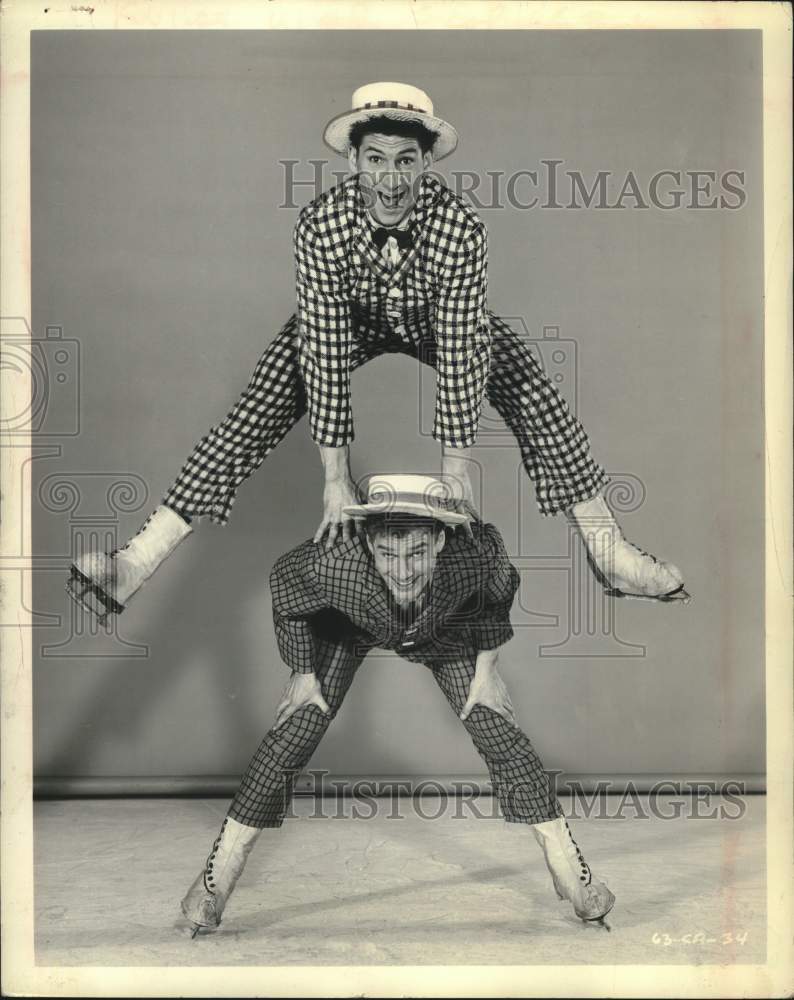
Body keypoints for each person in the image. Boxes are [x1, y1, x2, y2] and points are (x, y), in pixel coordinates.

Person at [67, 81, 689, 624]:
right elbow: (325, 346)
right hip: (349, 322)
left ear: (425, 165)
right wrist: (336, 480)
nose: (391, 180)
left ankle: (611, 552)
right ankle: (135, 563)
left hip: (433, 320)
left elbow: (461, 345)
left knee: (531, 386)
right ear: (354, 162)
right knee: (258, 403)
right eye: (376, 161)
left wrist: (453, 474)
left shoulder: (461, 229)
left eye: (405, 161)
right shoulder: (319, 226)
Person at [179, 474, 615, 935]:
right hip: (347, 626)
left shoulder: (475, 554)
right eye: (388, 553)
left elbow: (497, 594)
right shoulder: (334, 563)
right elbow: (284, 585)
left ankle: (574, 880)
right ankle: (214, 883)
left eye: (417, 553)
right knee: (295, 731)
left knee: (497, 729)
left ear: (442, 539)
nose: (403, 571)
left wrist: (487, 670)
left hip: (439, 632)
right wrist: (304, 671)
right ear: (368, 542)